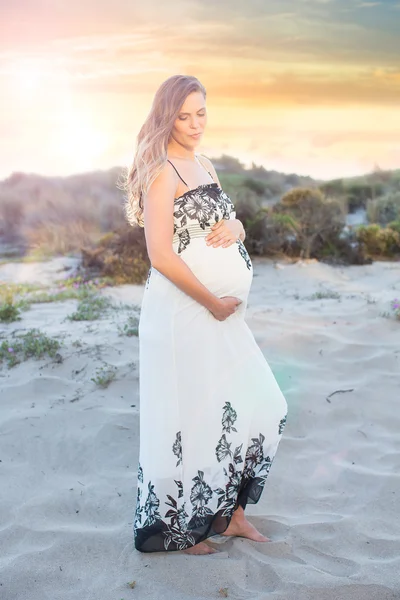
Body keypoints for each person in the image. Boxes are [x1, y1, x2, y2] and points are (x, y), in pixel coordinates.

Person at [123, 74, 288, 555]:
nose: (195, 125)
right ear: (166, 117)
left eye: (201, 113)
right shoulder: (161, 172)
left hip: (222, 318)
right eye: (184, 116)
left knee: (260, 404)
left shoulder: (205, 163)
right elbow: (161, 256)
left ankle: (231, 515)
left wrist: (236, 225)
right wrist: (213, 302)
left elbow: (222, 224)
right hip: (183, 314)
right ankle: (179, 532)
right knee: (190, 419)